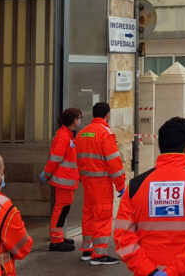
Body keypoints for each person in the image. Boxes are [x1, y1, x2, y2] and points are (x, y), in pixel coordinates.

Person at [114, 117, 185, 276]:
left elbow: (123, 238)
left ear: (160, 145)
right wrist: (174, 272)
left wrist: (150, 271)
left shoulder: (135, 187)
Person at [76, 102, 126, 265]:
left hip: (87, 181)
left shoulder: (83, 133)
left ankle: (87, 249)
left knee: (89, 214)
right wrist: (120, 184)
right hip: (101, 182)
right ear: (108, 115)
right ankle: (100, 254)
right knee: (103, 216)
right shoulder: (105, 133)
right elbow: (114, 162)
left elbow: (78, 159)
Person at [40, 108, 82, 252]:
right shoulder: (64, 136)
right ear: (72, 120)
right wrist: (46, 173)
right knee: (61, 209)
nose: (79, 121)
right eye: (78, 118)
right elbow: (55, 158)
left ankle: (58, 237)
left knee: (63, 209)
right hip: (63, 180)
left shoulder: (68, 135)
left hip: (67, 181)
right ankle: (56, 240)